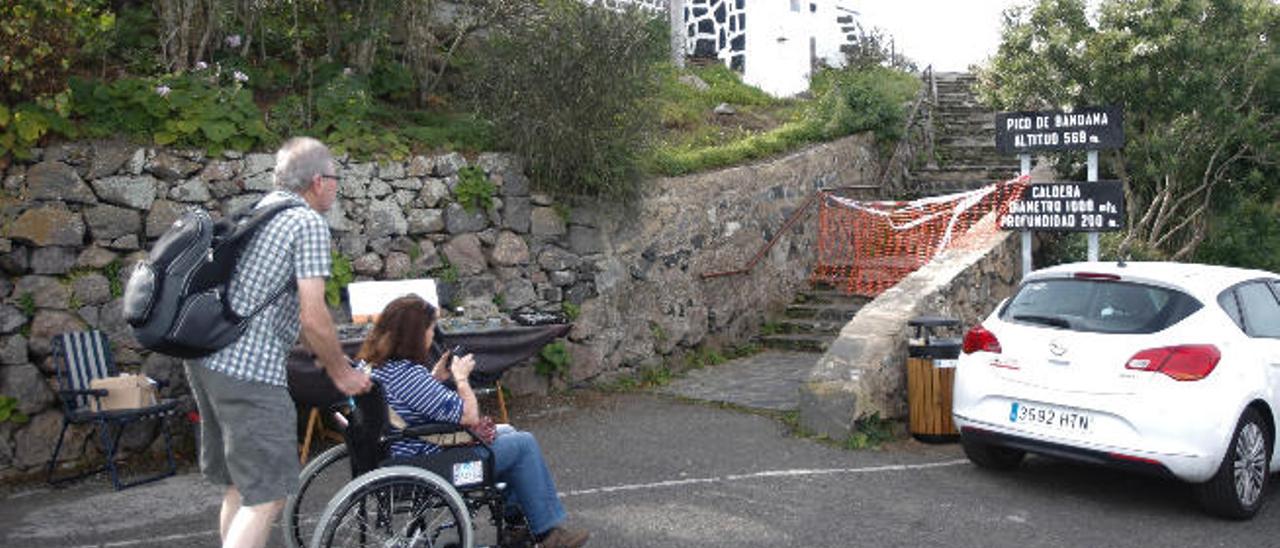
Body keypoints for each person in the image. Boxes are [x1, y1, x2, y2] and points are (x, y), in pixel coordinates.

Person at [185, 137, 372, 548]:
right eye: (336, 179)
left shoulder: (260, 209)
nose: (337, 188)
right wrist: (342, 372)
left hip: (207, 359)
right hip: (247, 369)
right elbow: (314, 315)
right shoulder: (306, 222)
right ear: (320, 181)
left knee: (240, 486)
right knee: (268, 493)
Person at [355, 295, 590, 548]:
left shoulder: (370, 366)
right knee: (524, 445)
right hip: (427, 465)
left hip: (394, 455)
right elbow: (469, 416)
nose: (432, 335)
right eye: (430, 329)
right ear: (414, 335)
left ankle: (517, 526)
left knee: (508, 432)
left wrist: (435, 378)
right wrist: (461, 379)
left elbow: (409, 405)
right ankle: (546, 534)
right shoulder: (409, 375)